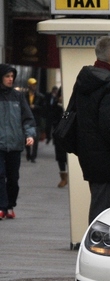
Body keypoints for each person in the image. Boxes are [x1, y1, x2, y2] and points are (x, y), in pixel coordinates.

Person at [71, 36, 110, 223]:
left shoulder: (84, 80)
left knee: (99, 200)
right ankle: (96, 246)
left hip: (88, 151)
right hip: (106, 156)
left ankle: (96, 244)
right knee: (103, 208)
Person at [0, 64, 36, 220]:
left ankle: (10, 205)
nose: (10, 79)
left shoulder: (18, 97)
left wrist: (30, 135)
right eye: (7, 76)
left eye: (12, 77)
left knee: (13, 178)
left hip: (15, 144)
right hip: (0, 145)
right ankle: (2, 207)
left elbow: (27, 118)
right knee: (0, 175)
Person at [47, 87, 67, 187]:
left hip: (70, 134)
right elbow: (52, 116)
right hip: (59, 134)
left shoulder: (72, 104)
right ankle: (63, 177)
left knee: (70, 157)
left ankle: (71, 177)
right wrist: (59, 105)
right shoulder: (55, 104)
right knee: (60, 156)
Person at [24, 77, 45, 162]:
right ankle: (28, 153)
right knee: (27, 138)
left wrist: (35, 107)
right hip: (27, 120)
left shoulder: (40, 97)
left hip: (36, 120)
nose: (34, 86)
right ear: (29, 85)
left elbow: (44, 108)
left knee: (35, 139)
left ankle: (33, 156)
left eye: (35, 85)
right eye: (32, 85)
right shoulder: (24, 96)